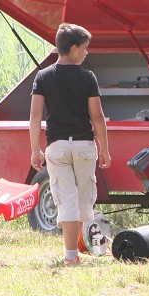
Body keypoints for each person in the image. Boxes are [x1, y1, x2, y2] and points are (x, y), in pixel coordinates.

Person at [29, 23, 111, 264]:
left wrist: (35, 149)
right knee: (85, 198)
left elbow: (35, 116)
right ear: (74, 49)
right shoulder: (88, 77)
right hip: (84, 145)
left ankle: (71, 256)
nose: (86, 53)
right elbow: (97, 117)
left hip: (57, 147)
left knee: (66, 197)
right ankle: (87, 246)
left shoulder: (43, 76)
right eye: (85, 49)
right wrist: (104, 149)